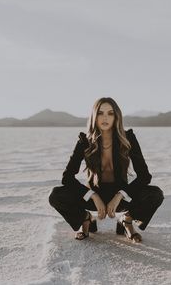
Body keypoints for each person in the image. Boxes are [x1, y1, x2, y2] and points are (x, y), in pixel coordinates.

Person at [49, 97, 164, 243]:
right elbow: (67, 178)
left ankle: (126, 220)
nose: (105, 118)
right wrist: (92, 196)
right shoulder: (85, 141)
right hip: (94, 195)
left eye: (110, 113)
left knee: (155, 194)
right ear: (94, 116)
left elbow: (144, 176)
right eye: (100, 113)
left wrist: (120, 195)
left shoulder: (128, 138)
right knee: (56, 195)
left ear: (116, 117)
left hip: (122, 197)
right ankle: (85, 219)